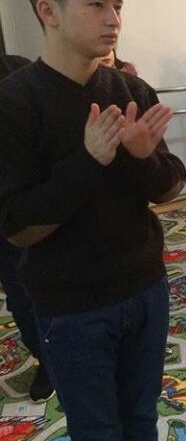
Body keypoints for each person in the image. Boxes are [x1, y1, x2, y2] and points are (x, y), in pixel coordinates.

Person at [0, 0, 186, 439]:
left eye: (118, 5)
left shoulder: (130, 90)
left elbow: (170, 187)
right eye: (97, 4)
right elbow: (18, 228)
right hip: (73, 306)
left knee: (141, 420)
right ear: (48, 11)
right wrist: (88, 161)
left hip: (146, 287)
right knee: (97, 430)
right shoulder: (16, 103)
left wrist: (143, 157)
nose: (114, 19)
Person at [0, 54, 54, 402]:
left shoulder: (19, 72)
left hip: (31, 207)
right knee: (19, 297)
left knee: (38, 289)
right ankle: (46, 356)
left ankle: (56, 356)